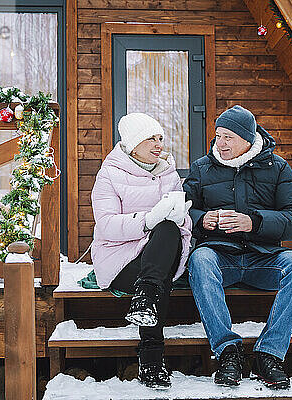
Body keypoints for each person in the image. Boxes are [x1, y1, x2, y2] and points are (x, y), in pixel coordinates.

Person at [183, 105, 292, 389]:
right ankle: (227, 352)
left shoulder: (276, 167)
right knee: (200, 258)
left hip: (263, 258)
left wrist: (254, 222)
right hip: (220, 257)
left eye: (228, 137)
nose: (220, 143)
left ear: (248, 138)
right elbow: (181, 212)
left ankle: (269, 354)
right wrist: (202, 219)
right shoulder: (202, 168)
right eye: (218, 136)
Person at [91, 112, 192, 388]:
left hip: (157, 258)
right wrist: (148, 220)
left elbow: (181, 227)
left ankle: (144, 300)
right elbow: (107, 225)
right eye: (151, 138)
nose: (159, 144)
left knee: (169, 231)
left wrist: (181, 215)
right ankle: (151, 360)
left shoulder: (168, 173)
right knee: (158, 277)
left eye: (160, 138)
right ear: (134, 144)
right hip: (122, 262)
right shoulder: (110, 174)